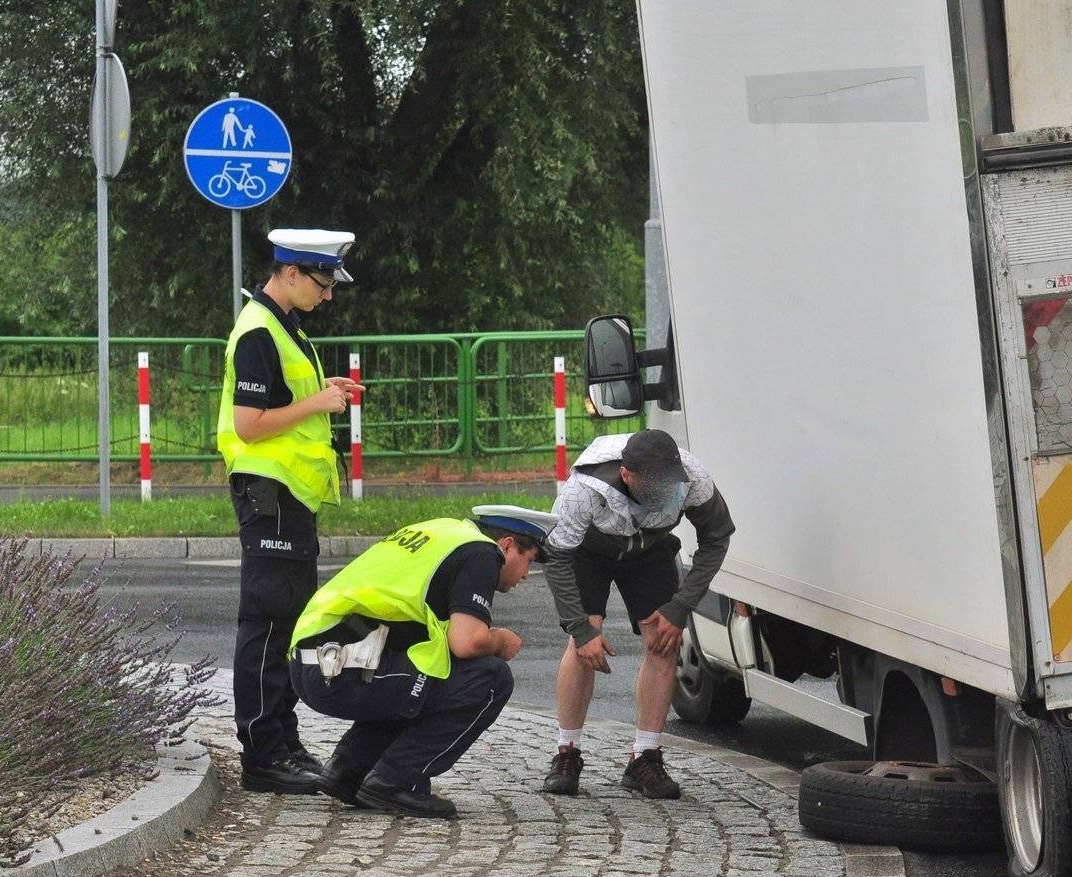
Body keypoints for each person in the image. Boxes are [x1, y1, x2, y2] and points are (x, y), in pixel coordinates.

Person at [288, 506, 556, 818]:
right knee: (490, 678)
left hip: (315, 663)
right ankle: (392, 780)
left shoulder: (441, 532)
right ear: (507, 544)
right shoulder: (483, 553)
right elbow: (468, 642)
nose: (526, 574)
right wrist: (500, 641)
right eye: (530, 560)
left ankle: (349, 771)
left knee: (426, 668)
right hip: (343, 669)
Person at [217, 227, 363, 794]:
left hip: (290, 497)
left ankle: (283, 740)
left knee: (289, 623)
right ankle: (261, 755)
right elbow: (250, 426)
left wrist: (320, 388)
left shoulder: (284, 326)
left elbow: (276, 400)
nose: (327, 295)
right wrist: (317, 402)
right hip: (269, 493)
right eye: (323, 283)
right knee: (268, 622)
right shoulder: (257, 331)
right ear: (292, 273)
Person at [541, 430, 735, 799]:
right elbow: (557, 556)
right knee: (583, 644)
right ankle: (566, 752)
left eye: (669, 484)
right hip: (588, 551)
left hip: (649, 550)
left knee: (664, 639)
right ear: (627, 476)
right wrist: (581, 629)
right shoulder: (583, 491)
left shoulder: (693, 479)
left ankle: (644, 757)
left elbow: (717, 537)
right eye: (654, 487)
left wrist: (681, 606)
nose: (666, 493)